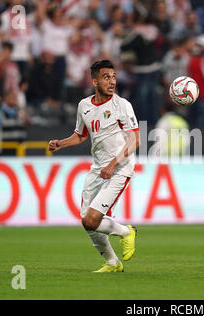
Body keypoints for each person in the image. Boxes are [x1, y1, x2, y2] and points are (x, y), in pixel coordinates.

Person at [48, 60, 140, 273]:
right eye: (107, 77)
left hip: (119, 168)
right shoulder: (84, 106)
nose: (112, 81)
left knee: (92, 219)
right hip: (98, 169)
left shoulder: (122, 105)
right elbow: (80, 135)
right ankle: (112, 263)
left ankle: (127, 232)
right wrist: (61, 143)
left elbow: (135, 140)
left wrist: (113, 164)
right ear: (95, 81)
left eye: (114, 77)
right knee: (87, 221)